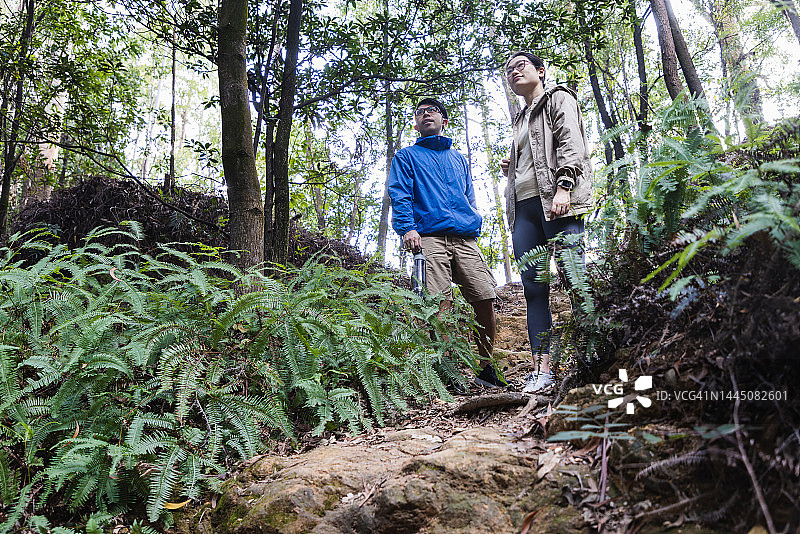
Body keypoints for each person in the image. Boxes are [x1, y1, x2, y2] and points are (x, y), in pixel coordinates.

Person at [388, 97, 504, 388]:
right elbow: (399, 194)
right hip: (427, 237)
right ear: (416, 123)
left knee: (484, 296)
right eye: (420, 112)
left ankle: (486, 369)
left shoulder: (458, 158)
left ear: (444, 121)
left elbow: (469, 195)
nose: (426, 114)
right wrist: (407, 229)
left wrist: (473, 220)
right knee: (439, 303)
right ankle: (447, 372)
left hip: (464, 237)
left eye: (432, 111)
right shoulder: (406, 157)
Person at [500, 52, 593, 393]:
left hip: (557, 202)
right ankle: (543, 371)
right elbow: (537, 155)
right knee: (534, 290)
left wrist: (564, 186)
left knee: (574, 278)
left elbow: (571, 142)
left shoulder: (559, 98)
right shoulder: (519, 119)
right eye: (509, 70)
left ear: (541, 71)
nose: (514, 72)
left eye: (520, 66)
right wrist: (514, 167)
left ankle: (591, 357)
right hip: (524, 208)